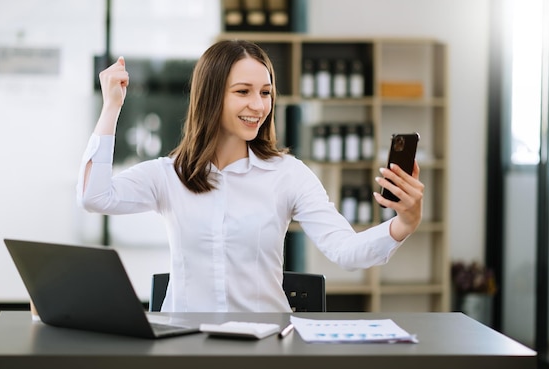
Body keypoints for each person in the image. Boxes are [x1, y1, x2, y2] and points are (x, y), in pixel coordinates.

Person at [77, 39, 424, 313]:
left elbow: (347, 251)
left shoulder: (288, 175)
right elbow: (94, 197)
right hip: (184, 346)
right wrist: (112, 107)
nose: (258, 106)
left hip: (264, 348)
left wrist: (403, 222)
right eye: (242, 92)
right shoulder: (169, 175)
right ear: (211, 97)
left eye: (265, 92)